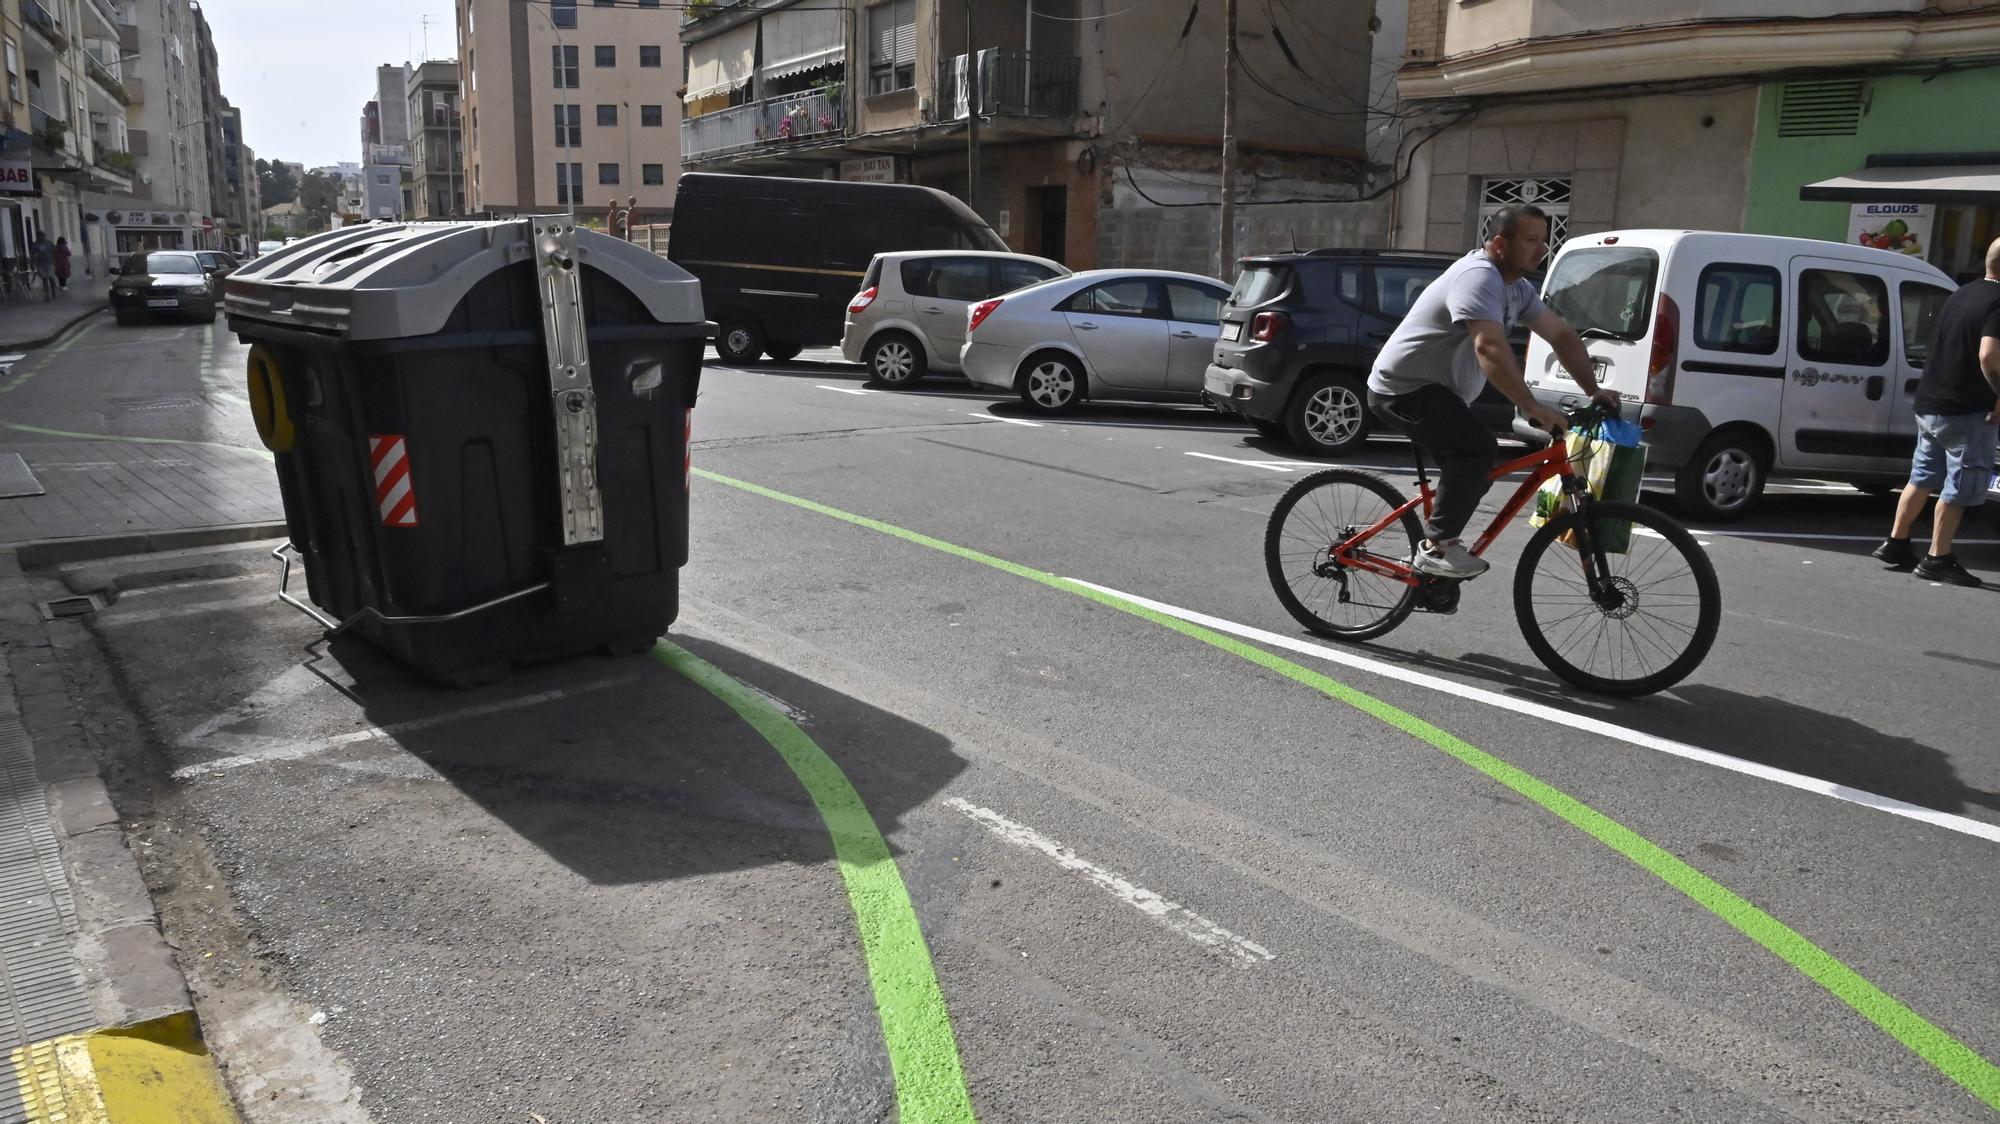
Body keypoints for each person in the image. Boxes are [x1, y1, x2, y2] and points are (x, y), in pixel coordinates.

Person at [1365, 203, 1620, 579]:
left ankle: (1433, 567)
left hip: (1441, 393)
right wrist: (1532, 407)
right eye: (1531, 240)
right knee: (1477, 451)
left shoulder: (1516, 289)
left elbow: (1562, 336)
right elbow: (1490, 347)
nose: (1541, 249)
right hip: (1403, 390)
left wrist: (1594, 390)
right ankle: (1437, 547)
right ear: (1500, 244)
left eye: (1544, 240)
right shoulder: (1478, 278)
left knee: (1474, 469)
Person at [1871, 236, 2000, 588]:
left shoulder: (1961, 294)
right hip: (1966, 408)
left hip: (1931, 403)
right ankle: (1937, 558)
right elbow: (1988, 355)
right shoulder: (1998, 302)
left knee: (1923, 477)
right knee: (1959, 486)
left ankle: (1896, 543)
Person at [29, 232, 55, 302]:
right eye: (39, 236)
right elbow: (33, 255)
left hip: (50, 263)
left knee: (51, 278)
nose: (40, 237)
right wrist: (32, 263)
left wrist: (56, 262)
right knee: (44, 279)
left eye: (42, 236)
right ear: (37, 236)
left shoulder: (49, 243)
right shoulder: (35, 244)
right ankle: (47, 296)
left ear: (44, 236)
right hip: (40, 264)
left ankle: (53, 291)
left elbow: (55, 252)